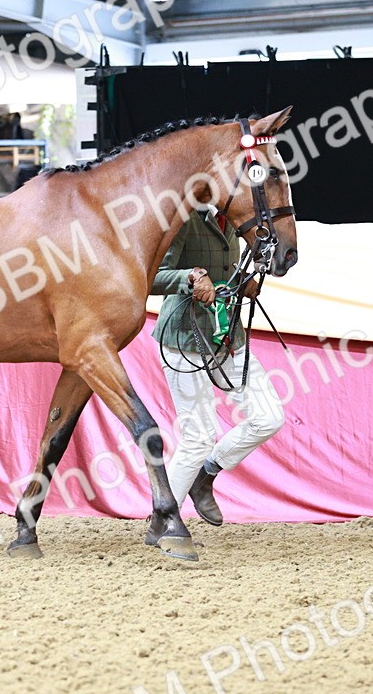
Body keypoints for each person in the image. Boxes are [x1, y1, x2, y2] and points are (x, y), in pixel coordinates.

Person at [150, 205, 286, 526]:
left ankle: (206, 474)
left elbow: (225, 271)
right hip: (183, 339)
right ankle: (162, 519)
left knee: (268, 418)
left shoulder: (235, 218)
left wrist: (242, 284)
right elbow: (151, 276)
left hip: (226, 336)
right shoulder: (181, 218)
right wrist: (190, 276)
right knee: (198, 437)